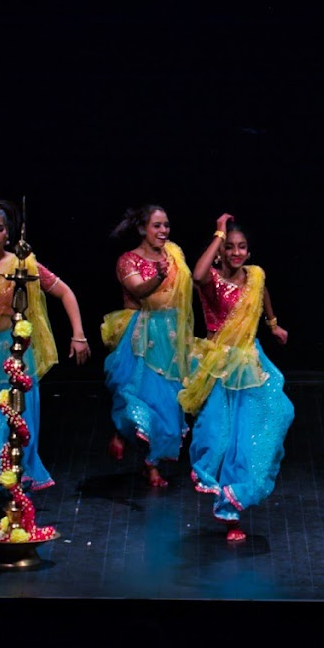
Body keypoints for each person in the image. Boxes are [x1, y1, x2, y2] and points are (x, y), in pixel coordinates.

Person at [0, 198, 91, 490]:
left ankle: (4, 473)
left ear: (8, 232)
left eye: (0, 229)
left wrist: (78, 335)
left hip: (11, 351)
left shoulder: (21, 264)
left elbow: (65, 292)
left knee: (7, 415)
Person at [179, 214, 294, 542]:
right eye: (229, 247)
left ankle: (232, 507)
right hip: (219, 365)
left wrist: (273, 325)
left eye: (241, 247)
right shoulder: (212, 278)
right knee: (219, 438)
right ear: (219, 250)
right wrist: (218, 232)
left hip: (250, 362)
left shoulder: (255, 276)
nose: (236, 252)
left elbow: (264, 293)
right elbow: (197, 274)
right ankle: (223, 497)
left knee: (262, 427)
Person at [102, 204, 193, 487]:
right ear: (142, 229)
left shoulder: (174, 254)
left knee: (166, 403)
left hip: (170, 336)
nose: (163, 231)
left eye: (166, 225)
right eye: (157, 226)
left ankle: (150, 463)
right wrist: (158, 276)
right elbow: (139, 290)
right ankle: (122, 431)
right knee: (140, 397)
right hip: (141, 335)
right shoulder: (127, 260)